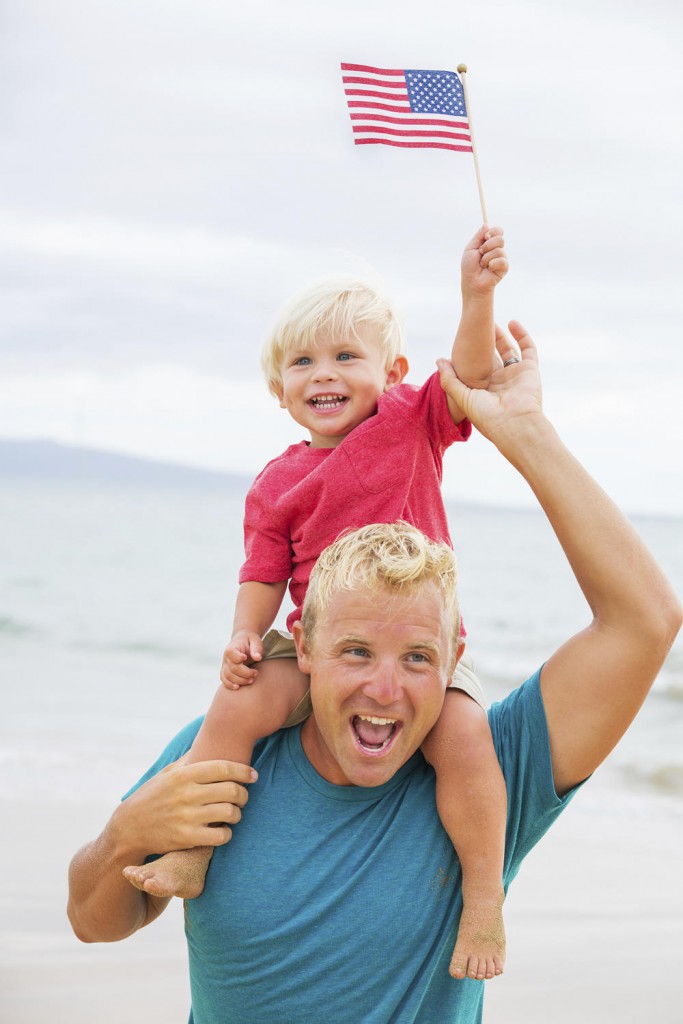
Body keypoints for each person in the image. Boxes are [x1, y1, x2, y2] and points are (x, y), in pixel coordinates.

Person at [67, 322, 681, 1024]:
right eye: (355, 651)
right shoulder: (220, 754)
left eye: (418, 658)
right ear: (302, 649)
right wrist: (123, 835)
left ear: (453, 659)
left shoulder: (491, 770)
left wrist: (526, 433)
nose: (385, 690)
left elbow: (645, 621)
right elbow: (93, 922)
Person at [122, 225, 511, 980]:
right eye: (302, 361)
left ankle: (484, 897)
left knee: (465, 740)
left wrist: (477, 295)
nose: (322, 374)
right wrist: (245, 634)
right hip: (315, 649)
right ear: (279, 391)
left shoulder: (409, 423)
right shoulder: (276, 482)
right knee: (233, 705)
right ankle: (195, 851)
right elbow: (264, 569)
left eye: (344, 356)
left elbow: (469, 373)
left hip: (411, 650)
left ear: (391, 371)